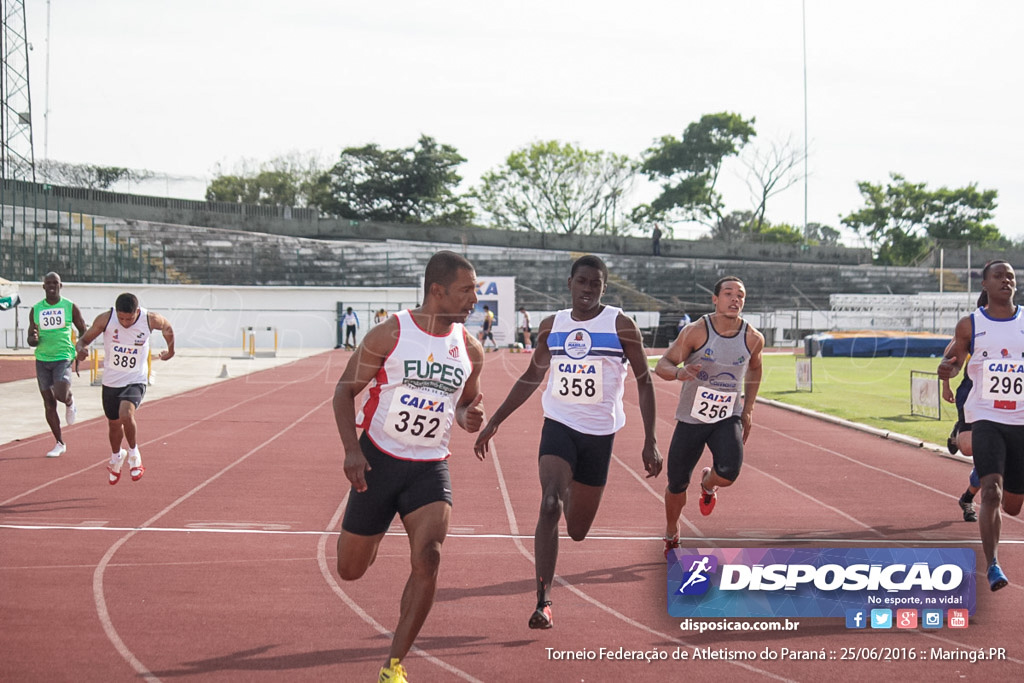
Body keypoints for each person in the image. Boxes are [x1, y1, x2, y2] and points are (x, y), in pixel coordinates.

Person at [473, 254, 662, 630]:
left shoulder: (621, 326)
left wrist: (650, 439)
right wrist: (495, 420)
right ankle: (543, 601)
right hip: (559, 424)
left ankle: (571, 486)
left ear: (604, 288)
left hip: (599, 435)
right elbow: (531, 377)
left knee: (576, 531)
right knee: (548, 504)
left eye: (596, 283)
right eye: (582, 281)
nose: (588, 289)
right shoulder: (552, 326)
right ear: (570, 283)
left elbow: (644, 380)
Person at [333, 250, 485, 683]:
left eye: (476, 288)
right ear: (437, 291)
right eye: (466, 290)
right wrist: (351, 451)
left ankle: (393, 665)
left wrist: (468, 416)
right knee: (350, 569)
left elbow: (467, 402)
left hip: (429, 467)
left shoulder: (470, 349)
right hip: (379, 459)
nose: (475, 298)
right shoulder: (389, 334)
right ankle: (375, 531)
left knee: (430, 557)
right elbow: (344, 392)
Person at [656, 276, 764, 554]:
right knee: (677, 482)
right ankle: (672, 529)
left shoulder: (752, 337)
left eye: (740, 295)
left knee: (729, 472)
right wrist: (680, 372)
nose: (735, 299)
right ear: (715, 299)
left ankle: (708, 483)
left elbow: (755, 368)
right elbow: (663, 364)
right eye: (728, 293)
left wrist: (748, 408)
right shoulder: (696, 331)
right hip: (692, 418)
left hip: (727, 417)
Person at [938, 260, 1024, 592]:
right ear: (985, 284)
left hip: (1020, 420)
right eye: (1000, 276)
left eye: (1012, 277)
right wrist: (947, 371)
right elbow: (953, 363)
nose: (1008, 280)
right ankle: (993, 565)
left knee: (1013, 504)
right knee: (991, 491)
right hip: (986, 417)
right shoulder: (969, 325)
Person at [75, 293, 175, 484]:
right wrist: (80, 350)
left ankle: (134, 455)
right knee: (113, 424)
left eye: (129, 319)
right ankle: (116, 457)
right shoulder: (105, 319)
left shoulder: (149, 319)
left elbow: (167, 327)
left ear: (137, 312)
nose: (125, 323)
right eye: (121, 319)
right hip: (111, 381)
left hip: (135, 379)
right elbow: (83, 340)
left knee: (126, 414)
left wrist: (171, 351)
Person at [26, 272, 87, 457]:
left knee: (60, 394)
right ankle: (59, 442)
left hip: (63, 356)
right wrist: (33, 339)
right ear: (44, 287)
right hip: (42, 360)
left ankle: (70, 401)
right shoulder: (36, 309)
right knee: (48, 403)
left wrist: (82, 347)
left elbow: (83, 329)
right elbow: (31, 338)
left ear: (61, 285)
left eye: (55, 282)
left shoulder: (69, 306)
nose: (52, 285)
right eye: (48, 283)